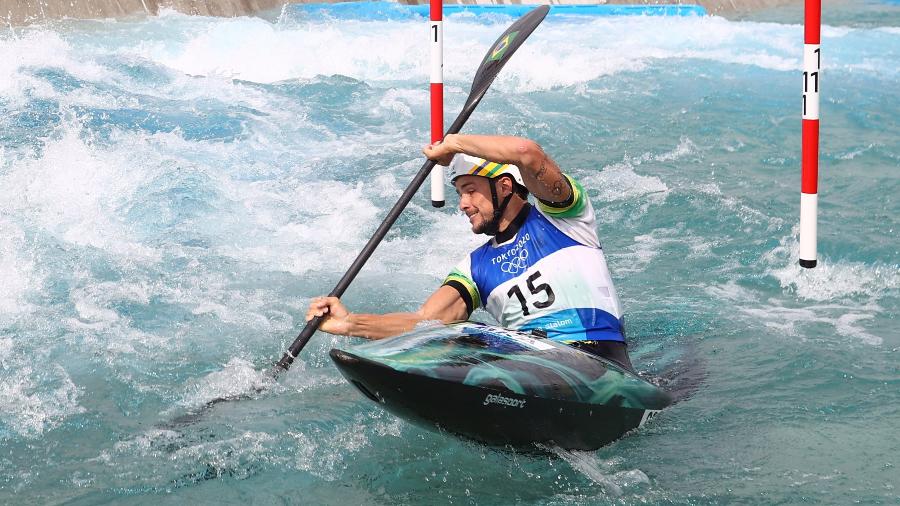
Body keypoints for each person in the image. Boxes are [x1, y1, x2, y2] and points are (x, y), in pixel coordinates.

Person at [306, 134, 633, 370]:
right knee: (454, 337)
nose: (462, 204)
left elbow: (526, 152)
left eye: (470, 190)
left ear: (505, 186)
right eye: (460, 193)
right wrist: (349, 323)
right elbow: (426, 323)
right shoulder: (474, 267)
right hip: (529, 363)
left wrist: (455, 144)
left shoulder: (564, 218)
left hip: (596, 359)